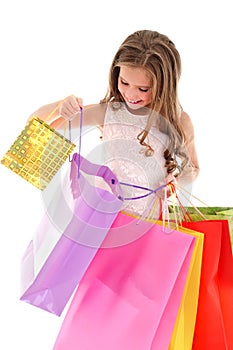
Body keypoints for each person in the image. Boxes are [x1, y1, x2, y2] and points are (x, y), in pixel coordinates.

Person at [29, 29, 200, 348]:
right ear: (114, 75)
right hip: (105, 225)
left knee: (143, 313)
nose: (131, 94)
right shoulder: (109, 111)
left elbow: (193, 168)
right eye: (124, 83)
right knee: (94, 306)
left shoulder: (178, 120)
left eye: (143, 88)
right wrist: (58, 106)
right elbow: (36, 135)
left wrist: (173, 181)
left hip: (151, 227)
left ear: (164, 85)